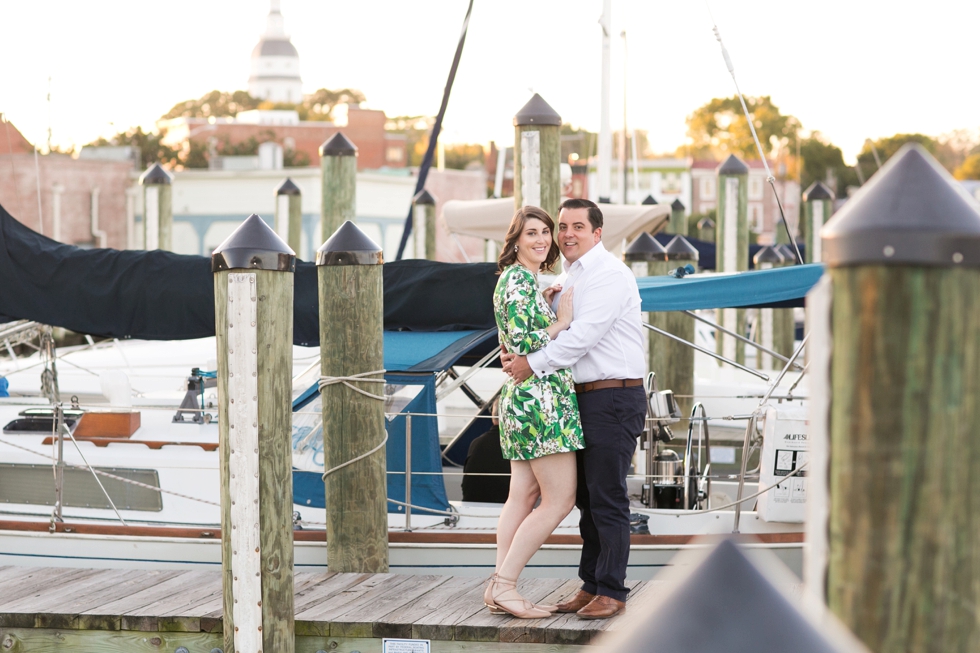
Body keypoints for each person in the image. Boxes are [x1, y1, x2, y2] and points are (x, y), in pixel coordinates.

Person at [502, 198, 647, 620]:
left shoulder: (609, 275)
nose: (565, 234)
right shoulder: (569, 277)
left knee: (607, 495)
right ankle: (591, 583)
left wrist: (529, 364)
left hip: (613, 396)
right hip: (581, 397)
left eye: (576, 227)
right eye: (561, 226)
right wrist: (520, 347)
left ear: (597, 233)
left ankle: (613, 590)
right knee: (585, 497)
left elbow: (581, 336)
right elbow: (548, 330)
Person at [483, 205, 584, 619]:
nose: (542, 240)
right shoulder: (520, 279)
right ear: (515, 241)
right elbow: (525, 341)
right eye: (532, 234)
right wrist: (560, 321)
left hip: (522, 399)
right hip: (541, 402)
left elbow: (518, 329)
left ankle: (497, 586)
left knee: (521, 495)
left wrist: (542, 303)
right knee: (559, 499)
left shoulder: (519, 280)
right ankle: (506, 585)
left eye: (546, 232)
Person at [460, 399, 510, 504]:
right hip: (506, 504)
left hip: (471, 502)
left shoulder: (476, 442)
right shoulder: (518, 445)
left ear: (492, 415)